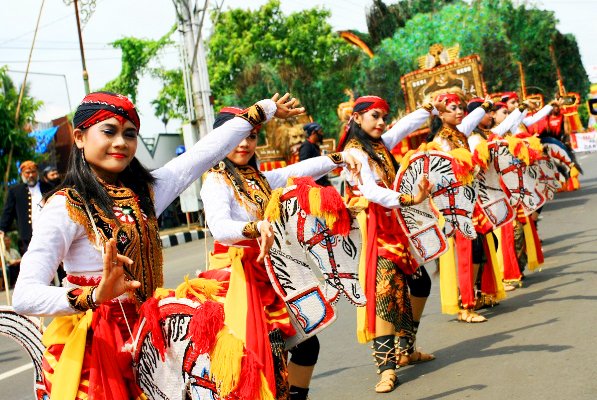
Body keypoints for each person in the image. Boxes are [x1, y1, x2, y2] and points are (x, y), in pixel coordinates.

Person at [12, 91, 303, 399]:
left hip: (153, 332)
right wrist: (95, 295)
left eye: (129, 134)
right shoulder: (65, 205)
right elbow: (24, 295)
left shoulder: (145, 192)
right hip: (98, 351)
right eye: (108, 131)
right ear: (80, 137)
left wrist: (262, 111)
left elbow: (200, 155)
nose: (121, 143)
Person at [200, 106, 361, 400]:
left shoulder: (256, 177)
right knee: (266, 358)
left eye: (251, 136)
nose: (245, 144)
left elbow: (295, 171)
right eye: (237, 137)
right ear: (220, 140)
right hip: (240, 280)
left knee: (306, 344)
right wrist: (255, 227)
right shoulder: (215, 180)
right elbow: (220, 227)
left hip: (271, 272)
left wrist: (340, 159)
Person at [338, 95, 435, 393]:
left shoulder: (377, 144)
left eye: (383, 117)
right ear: (357, 118)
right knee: (386, 295)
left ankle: (406, 347)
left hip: (396, 224)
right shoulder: (355, 153)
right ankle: (386, 368)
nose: (381, 122)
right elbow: (371, 190)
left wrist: (428, 109)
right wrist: (409, 199)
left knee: (420, 284)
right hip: (377, 229)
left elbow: (403, 127)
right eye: (374, 116)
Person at [0, 161, 53, 255]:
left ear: (37, 172)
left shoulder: (48, 188)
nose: (31, 175)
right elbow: (8, 212)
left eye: (33, 172)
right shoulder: (15, 191)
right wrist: (2, 229)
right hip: (27, 239)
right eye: (27, 172)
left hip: (49, 235)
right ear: (22, 174)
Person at [298, 122, 332, 186]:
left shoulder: (314, 146)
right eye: (320, 132)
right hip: (314, 184)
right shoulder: (306, 146)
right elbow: (304, 167)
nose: (322, 134)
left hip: (320, 182)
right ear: (313, 133)